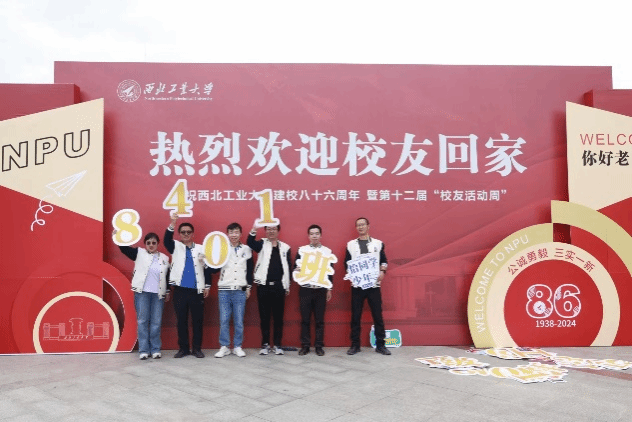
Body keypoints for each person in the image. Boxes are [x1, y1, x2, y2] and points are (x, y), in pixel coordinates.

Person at [115, 231, 171, 360]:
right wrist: (117, 237)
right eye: (148, 243)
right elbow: (124, 249)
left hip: (158, 294)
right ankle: (144, 350)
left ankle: (155, 349)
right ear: (145, 244)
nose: (151, 245)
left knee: (156, 322)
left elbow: (167, 276)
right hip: (142, 293)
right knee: (142, 321)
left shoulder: (164, 258)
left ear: (158, 244)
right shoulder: (139, 253)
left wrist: (167, 291)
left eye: (153, 243)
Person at [164, 213, 212, 358]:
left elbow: (207, 268)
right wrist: (172, 224)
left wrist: (207, 285)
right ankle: (183, 349)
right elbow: (166, 240)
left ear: (193, 234)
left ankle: (197, 349)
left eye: (188, 232)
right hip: (180, 290)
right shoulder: (175, 246)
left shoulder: (201, 248)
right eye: (183, 232)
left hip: (197, 291)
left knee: (197, 321)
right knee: (181, 321)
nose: (186, 234)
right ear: (179, 234)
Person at [345, 217, 391, 356]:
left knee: (377, 315)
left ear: (368, 226)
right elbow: (347, 263)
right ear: (356, 228)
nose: (360, 227)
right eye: (358, 225)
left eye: (363, 225)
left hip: (374, 285)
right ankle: (355, 345)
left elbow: (384, 261)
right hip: (357, 285)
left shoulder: (378, 243)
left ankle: (381, 345)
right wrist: (351, 273)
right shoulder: (350, 245)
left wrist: (382, 271)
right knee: (355, 316)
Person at [247, 222, 292, 355]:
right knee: (264, 317)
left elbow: (288, 267)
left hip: (279, 286)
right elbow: (250, 243)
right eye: (269, 229)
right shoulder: (262, 243)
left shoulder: (285, 247)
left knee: (278, 317)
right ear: (265, 231)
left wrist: (287, 285)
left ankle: (278, 345)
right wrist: (254, 229)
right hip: (263, 286)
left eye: (274, 229)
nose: (271, 231)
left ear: (278, 231)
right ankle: (265, 344)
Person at [213, 222, 253, 358]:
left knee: (239, 320)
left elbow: (250, 269)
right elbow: (214, 268)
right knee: (224, 320)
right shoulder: (222, 249)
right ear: (227, 234)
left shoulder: (247, 249)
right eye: (231, 232)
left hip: (240, 290)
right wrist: (205, 261)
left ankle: (237, 346)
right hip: (224, 289)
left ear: (241, 234)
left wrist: (248, 287)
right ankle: (224, 346)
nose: (233, 235)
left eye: (236, 232)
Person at [293, 224, 333, 357]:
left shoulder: (327, 251)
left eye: (317, 233)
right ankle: (305, 346)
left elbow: (330, 271)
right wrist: (297, 270)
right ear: (308, 236)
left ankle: (319, 346)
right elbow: (295, 268)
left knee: (319, 320)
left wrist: (329, 288)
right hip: (305, 289)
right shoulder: (302, 250)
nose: (314, 236)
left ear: (320, 235)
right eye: (312, 234)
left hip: (320, 290)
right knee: (305, 319)